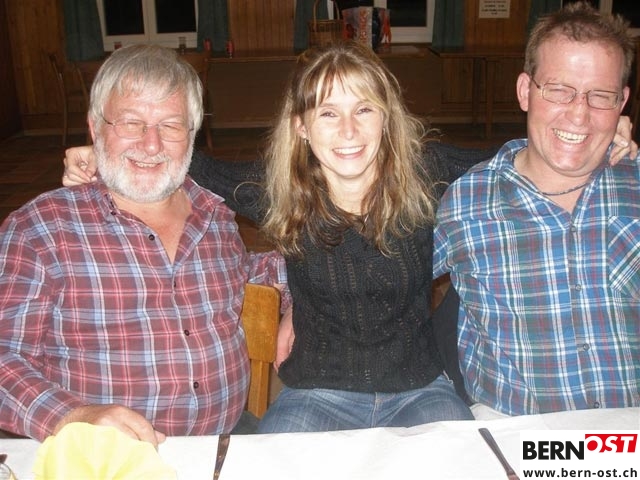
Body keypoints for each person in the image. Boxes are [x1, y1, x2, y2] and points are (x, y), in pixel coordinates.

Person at [61, 41, 637, 430]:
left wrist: (598, 134)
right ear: (301, 126)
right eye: (328, 113)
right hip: (315, 394)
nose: (348, 131)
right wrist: (103, 152)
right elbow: (190, 164)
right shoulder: (277, 192)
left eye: (364, 110)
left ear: (388, 118)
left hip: (422, 389)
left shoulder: (428, 175)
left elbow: (523, 158)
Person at [0, 44, 288, 446]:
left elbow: (248, 273)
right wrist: (71, 417)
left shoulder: (216, 216)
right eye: (131, 123)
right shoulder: (41, 229)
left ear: (191, 135)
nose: (151, 145)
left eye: (170, 125)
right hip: (109, 457)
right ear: (95, 127)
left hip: (226, 439)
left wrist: (302, 292)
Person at [433, 1, 640, 418]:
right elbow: (381, 276)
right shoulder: (466, 201)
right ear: (525, 91)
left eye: (600, 96)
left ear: (622, 102)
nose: (579, 114)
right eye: (559, 90)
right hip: (517, 430)